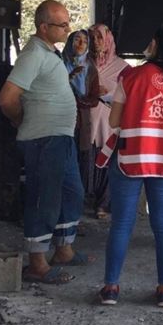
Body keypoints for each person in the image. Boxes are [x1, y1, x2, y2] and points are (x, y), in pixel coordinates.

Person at [98, 23, 163, 307]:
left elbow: (114, 120)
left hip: (131, 158)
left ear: (157, 44)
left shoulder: (131, 76)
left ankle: (111, 288)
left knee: (121, 224)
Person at [0, 0, 93, 285]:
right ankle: (37, 263)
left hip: (60, 138)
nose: (67, 29)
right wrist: (20, 119)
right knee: (44, 199)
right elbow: (7, 98)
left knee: (71, 193)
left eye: (67, 22)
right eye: (61, 24)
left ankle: (64, 249)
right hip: (43, 139)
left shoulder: (50, 52)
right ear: (43, 27)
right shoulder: (33, 55)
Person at [87, 24, 131, 218]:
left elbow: (130, 96)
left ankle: (103, 204)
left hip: (110, 123)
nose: (95, 42)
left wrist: (108, 93)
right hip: (86, 121)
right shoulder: (83, 63)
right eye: (92, 37)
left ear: (108, 40)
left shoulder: (123, 68)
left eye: (99, 37)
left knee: (107, 162)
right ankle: (87, 200)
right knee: (88, 160)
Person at [62, 30, 100, 211]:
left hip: (81, 123)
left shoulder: (90, 68)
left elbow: (94, 98)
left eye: (85, 41)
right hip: (60, 120)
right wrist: (69, 78)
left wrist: (78, 101)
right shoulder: (60, 63)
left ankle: (75, 207)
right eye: (77, 39)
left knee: (78, 163)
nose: (80, 44)